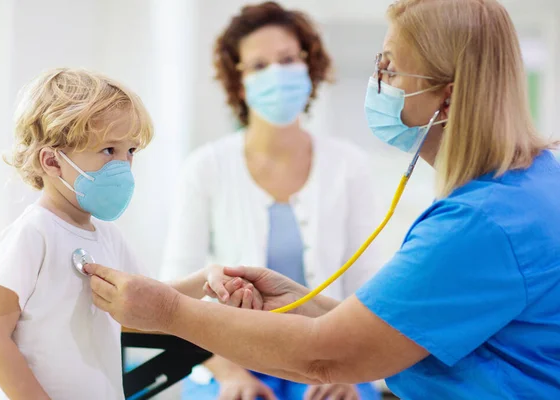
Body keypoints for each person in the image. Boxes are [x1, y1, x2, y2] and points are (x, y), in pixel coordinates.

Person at [85, 0, 560, 398]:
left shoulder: (477, 224)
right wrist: (300, 302)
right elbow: (395, 322)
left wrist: (168, 312)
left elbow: (326, 354)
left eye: (390, 69)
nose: (380, 83)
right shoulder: (531, 184)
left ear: (447, 100)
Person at [0, 68, 244, 400]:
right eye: (109, 151)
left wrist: (206, 279)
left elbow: (153, 303)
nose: (124, 165)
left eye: (130, 151)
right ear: (52, 161)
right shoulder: (32, 235)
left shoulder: (108, 237)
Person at [161, 2, 381, 399]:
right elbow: (175, 295)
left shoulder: (349, 165)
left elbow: (367, 289)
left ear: (309, 66)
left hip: (334, 358)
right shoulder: (206, 167)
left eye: (287, 60)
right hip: (224, 358)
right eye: (260, 66)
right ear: (239, 81)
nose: (277, 74)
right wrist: (230, 375)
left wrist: (344, 369)